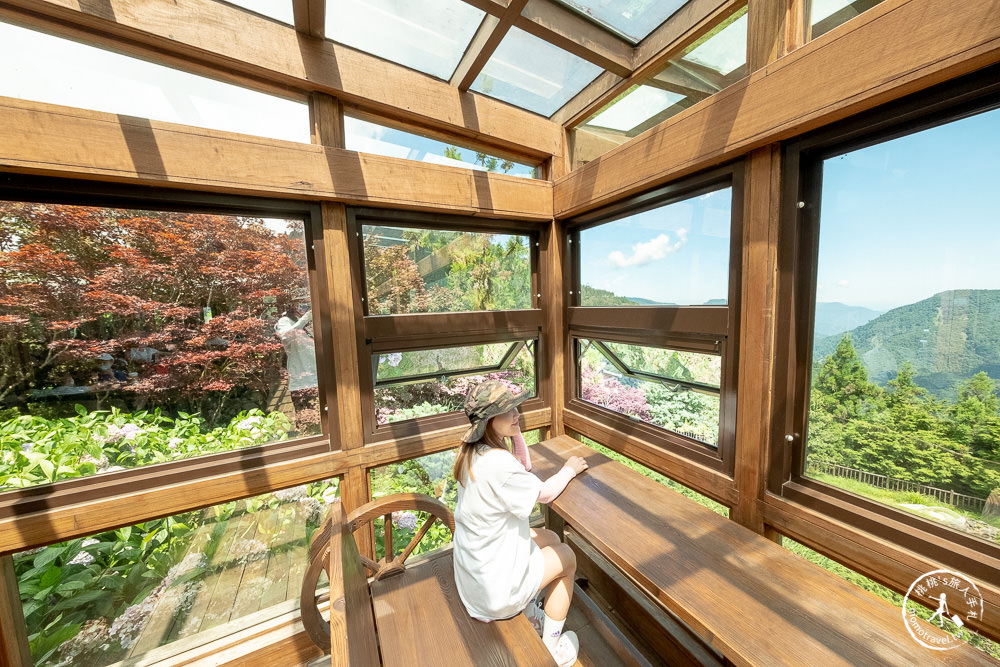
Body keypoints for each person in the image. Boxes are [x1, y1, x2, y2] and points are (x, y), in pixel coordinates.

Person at [452, 380, 589, 667]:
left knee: (550, 536)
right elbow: (546, 493)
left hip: (476, 577)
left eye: (516, 408)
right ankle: (551, 651)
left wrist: (513, 431)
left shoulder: (473, 453)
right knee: (567, 557)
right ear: (489, 422)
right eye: (508, 411)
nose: (517, 415)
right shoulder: (498, 465)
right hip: (494, 592)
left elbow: (523, 467)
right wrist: (569, 469)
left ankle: (529, 609)